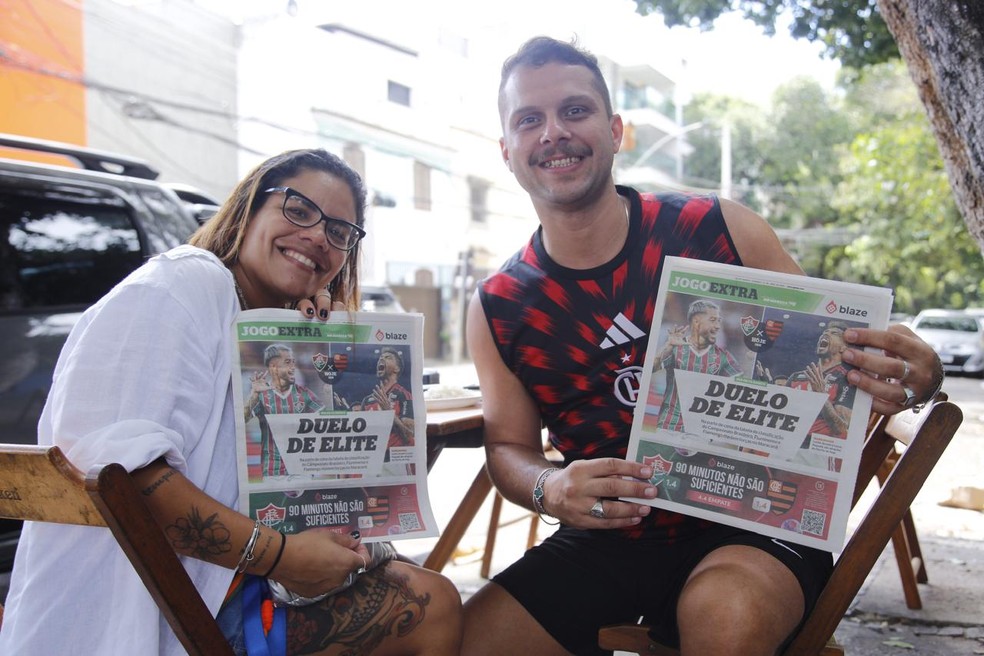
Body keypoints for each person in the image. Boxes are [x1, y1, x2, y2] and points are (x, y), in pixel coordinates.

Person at [461, 36, 945, 656]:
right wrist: (549, 488)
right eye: (530, 119)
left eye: (575, 110)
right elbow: (507, 447)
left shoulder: (719, 228)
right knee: (463, 641)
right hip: (610, 536)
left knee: (726, 618)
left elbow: (842, 358)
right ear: (507, 151)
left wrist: (909, 378)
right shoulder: (500, 302)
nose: (554, 132)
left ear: (615, 130)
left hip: (756, 524)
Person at [0, 148, 462, 655]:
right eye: (300, 210)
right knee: (431, 601)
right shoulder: (182, 284)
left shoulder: (254, 325)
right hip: (145, 617)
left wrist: (311, 342)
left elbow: (299, 486)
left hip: (206, 592)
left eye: (338, 233)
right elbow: (125, 478)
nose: (317, 237)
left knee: (406, 578)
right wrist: (283, 556)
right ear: (249, 208)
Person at [653, 300, 742, 431]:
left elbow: (739, 390)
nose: (717, 326)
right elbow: (650, 369)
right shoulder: (676, 348)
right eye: (713, 320)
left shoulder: (724, 356)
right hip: (670, 424)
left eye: (718, 321)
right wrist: (667, 347)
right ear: (696, 321)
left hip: (702, 428)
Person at [246, 343, 330, 476]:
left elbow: (326, 422)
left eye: (293, 362)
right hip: (272, 469)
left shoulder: (303, 392)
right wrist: (254, 395)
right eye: (287, 362)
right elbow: (243, 419)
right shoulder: (261, 394)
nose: (292, 367)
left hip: (302, 463)